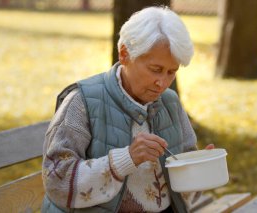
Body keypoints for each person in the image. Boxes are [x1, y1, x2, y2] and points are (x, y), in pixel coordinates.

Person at [41, 6, 213, 213]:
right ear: (124, 54)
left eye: (171, 72)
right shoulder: (81, 102)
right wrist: (126, 159)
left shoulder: (170, 102)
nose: (163, 83)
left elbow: (184, 186)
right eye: (155, 69)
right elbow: (57, 180)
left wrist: (199, 170)